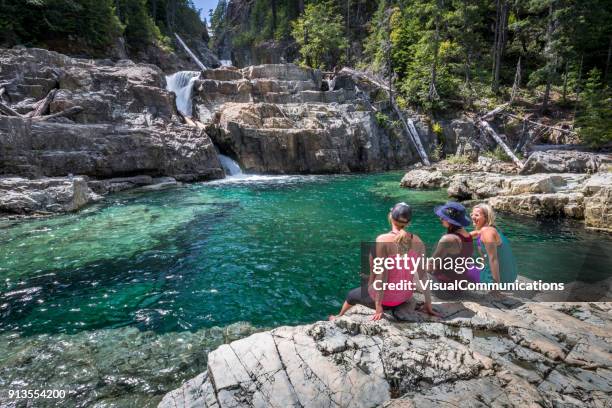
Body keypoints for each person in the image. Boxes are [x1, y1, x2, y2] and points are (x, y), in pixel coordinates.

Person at [329, 202, 438, 321]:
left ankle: (338, 316)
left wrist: (378, 306)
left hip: (388, 301)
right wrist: (428, 303)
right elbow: (423, 276)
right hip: (406, 296)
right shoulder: (418, 241)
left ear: (390, 217)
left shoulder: (382, 240)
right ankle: (369, 280)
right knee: (370, 278)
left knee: (351, 295)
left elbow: (383, 275)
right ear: (408, 223)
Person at [469, 203, 518, 284]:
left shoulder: (487, 232)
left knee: (458, 267)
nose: (473, 217)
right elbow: (475, 233)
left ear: (486, 217)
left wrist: (495, 287)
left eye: (477, 215)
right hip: (510, 277)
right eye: (472, 214)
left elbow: (493, 259)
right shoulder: (492, 229)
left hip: (498, 280)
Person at [430, 202, 474, 285]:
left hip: (444, 286)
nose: (440, 219)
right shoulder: (467, 235)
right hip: (460, 283)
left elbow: (431, 265)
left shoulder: (448, 239)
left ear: (451, 221)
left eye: (443, 218)